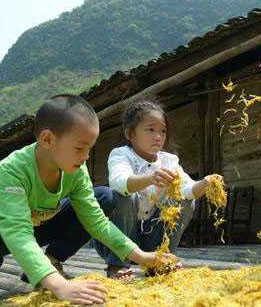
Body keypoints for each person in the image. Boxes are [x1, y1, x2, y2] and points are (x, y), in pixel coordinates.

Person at [0, 95, 176, 305]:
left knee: (104, 197)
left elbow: (95, 220)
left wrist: (142, 257)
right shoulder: (11, 172)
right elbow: (17, 232)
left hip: (38, 226)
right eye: (80, 148)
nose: (86, 156)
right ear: (47, 139)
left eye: (90, 148)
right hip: (1, 233)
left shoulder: (76, 170)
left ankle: (51, 261)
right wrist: (60, 286)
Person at [94, 100, 222, 278]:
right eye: (150, 129)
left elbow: (187, 189)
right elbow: (119, 182)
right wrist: (150, 178)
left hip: (152, 235)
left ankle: (161, 260)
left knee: (185, 202)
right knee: (123, 196)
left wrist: (206, 183)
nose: (158, 136)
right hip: (121, 237)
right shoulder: (121, 154)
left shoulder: (169, 160)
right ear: (131, 133)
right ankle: (117, 264)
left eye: (163, 131)